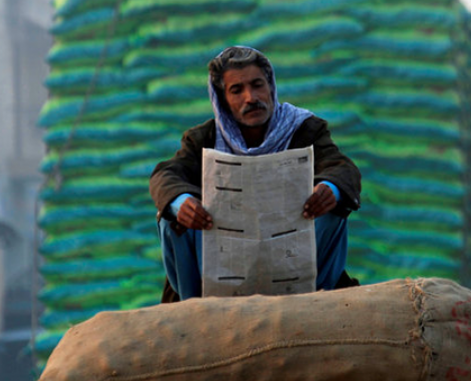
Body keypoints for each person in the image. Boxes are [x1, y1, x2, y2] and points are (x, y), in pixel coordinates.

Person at [149, 46, 361, 302]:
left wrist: (330, 188)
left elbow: (341, 167)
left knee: (335, 205)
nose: (251, 97)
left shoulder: (304, 130)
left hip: (292, 259)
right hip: (223, 265)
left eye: (257, 85)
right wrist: (181, 203)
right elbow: (166, 174)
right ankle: (193, 307)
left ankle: (318, 299)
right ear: (222, 100)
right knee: (171, 217)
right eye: (237, 90)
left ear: (271, 87)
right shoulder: (203, 139)